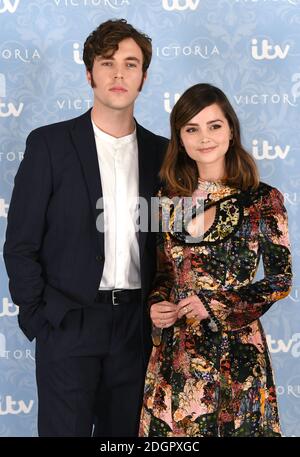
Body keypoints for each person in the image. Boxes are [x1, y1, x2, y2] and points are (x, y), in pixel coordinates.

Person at [4, 19, 168, 437]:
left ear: (144, 78)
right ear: (89, 73)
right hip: (68, 323)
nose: (119, 74)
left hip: (137, 329)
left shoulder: (164, 155)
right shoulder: (49, 145)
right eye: (107, 62)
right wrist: (40, 317)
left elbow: (174, 243)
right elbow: (20, 243)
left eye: (130, 64)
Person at [139, 83, 292, 437]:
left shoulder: (262, 199)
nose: (204, 138)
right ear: (180, 137)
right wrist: (158, 302)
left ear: (231, 130)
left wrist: (216, 304)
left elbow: (280, 281)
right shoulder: (165, 199)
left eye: (214, 126)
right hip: (176, 357)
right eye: (191, 129)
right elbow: (164, 271)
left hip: (236, 355)